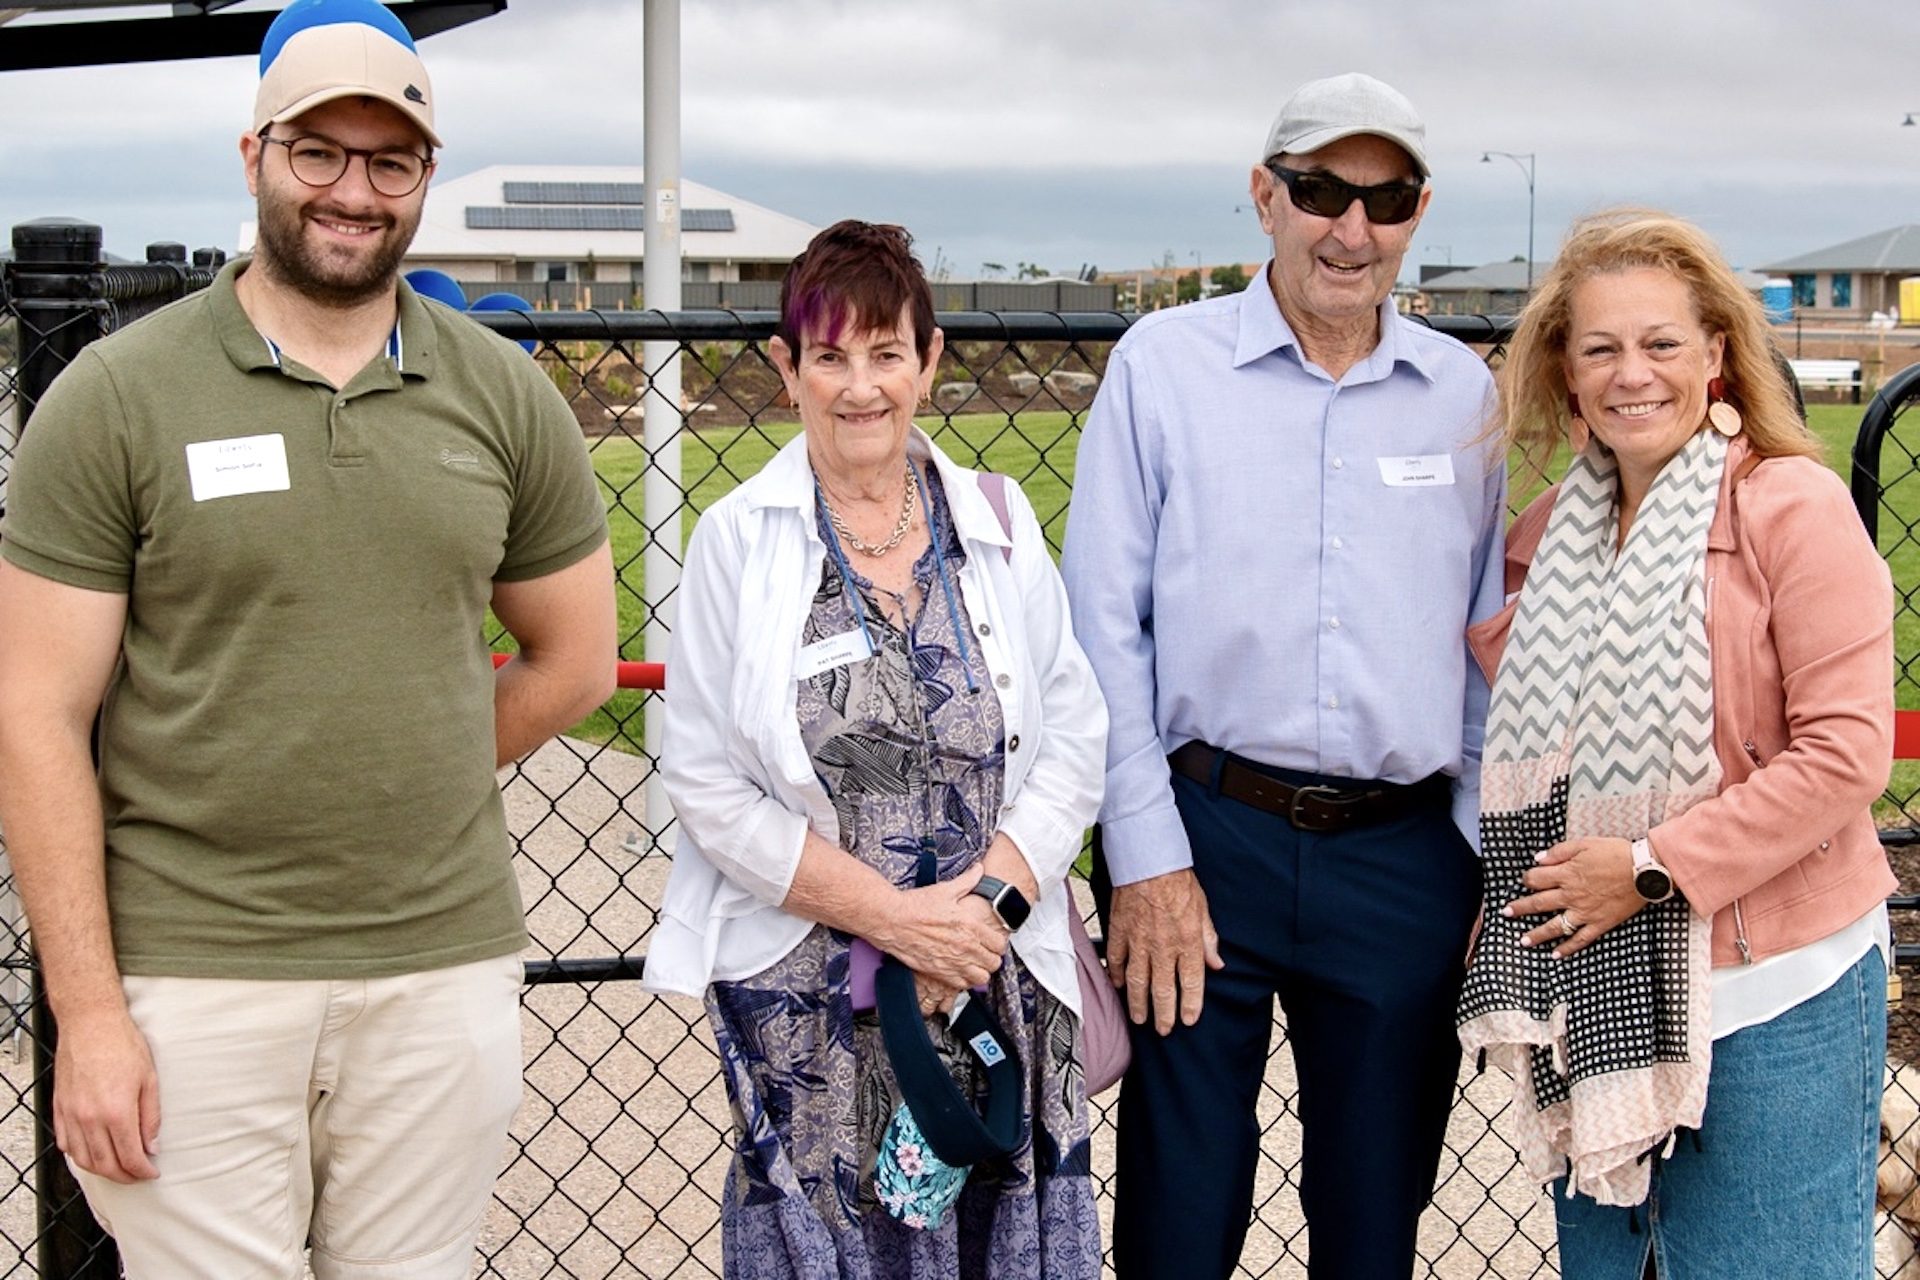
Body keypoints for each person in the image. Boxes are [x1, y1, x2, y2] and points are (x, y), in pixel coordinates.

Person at [0, 1, 616, 1274]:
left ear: (425, 177)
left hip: (439, 973)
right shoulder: (118, 396)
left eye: (389, 159)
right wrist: (90, 1010)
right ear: (255, 156)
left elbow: (576, 661)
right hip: (196, 976)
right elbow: (33, 711)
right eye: (317, 152)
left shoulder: (500, 393)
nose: (353, 190)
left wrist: (415, 764)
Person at [1060, 74, 1506, 1279]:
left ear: (1419, 213)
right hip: (1204, 844)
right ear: (1265, 197)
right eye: (1320, 191)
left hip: (1403, 859)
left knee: (1374, 1227)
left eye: (1386, 198)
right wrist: (1145, 856)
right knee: (1178, 1220)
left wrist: (1470, 850)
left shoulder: (1465, 397)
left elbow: (1485, 653)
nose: (1351, 230)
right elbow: (1102, 630)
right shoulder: (1163, 368)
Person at [643, 220, 1108, 1277]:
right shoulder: (736, 542)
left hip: (992, 981)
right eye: (830, 355)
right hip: (811, 1002)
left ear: (929, 359)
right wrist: (897, 922)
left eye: (886, 351)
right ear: (786, 368)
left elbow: (1077, 730)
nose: (861, 387)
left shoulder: (998, 518)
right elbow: (706, 781)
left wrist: (976, 920)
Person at [1456, 210, 1894, 1279]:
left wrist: (1651, 869)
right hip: (1597, 992)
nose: (1631, 373)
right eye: (1600, 346)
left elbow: (1846, 754)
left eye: (1660, 343)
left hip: (1775, 994)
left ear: (1715, 353)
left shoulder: (1790, 507)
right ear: (1566, 370)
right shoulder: (1545, 542)